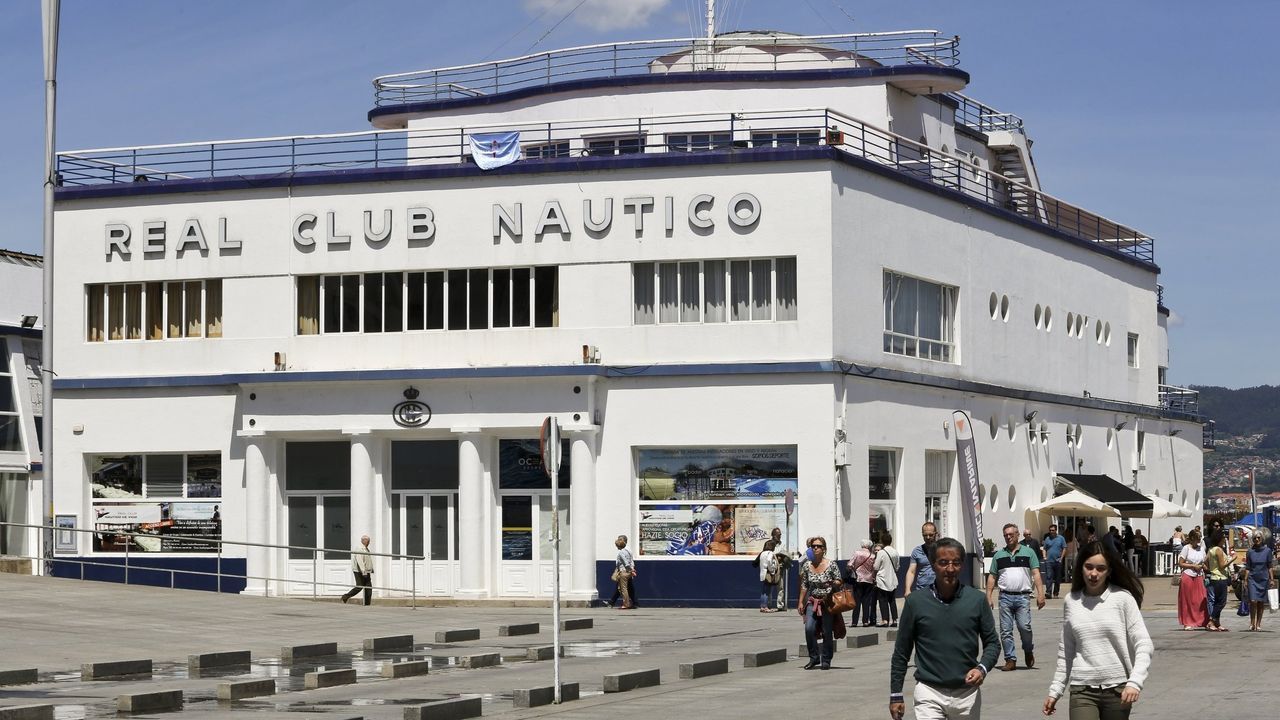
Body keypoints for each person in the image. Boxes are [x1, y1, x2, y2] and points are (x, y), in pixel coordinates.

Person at [889, 538, 998, 720]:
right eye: (943, 563)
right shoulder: (916, 602)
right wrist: (896, 693)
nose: (950, 569)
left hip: (967, 694)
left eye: (956, 563)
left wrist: (982, 668)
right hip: (929, 692)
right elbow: (901, 651)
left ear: (962, 565)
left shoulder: (976, 600)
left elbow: (993, 643)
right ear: (933, 565)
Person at [1042, 540, 1153, 719]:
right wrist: (1055, 690)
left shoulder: (1122, 599)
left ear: (1109, 571)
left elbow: (1144, 644)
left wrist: (1135, 682)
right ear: (1081, 568)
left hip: (1118, 689)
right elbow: (1066, 651)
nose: (1093, 574)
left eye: (1100, 568)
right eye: (1089, 567)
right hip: (1082, 689)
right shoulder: (1071, 601)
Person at [986, 522, 1045, 671]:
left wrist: (1041, 594)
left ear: (1018, 535)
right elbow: (992, 577)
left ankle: (1028, 650)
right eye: (1005, 535)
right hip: (1005, 597)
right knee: (1005, 630)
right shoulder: (999, 555)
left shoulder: (1028, 553)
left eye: (1011, 535)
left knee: (1024, 626)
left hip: (1023, 597)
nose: (1008, 537)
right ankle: (1010, 660)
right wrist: (988, 596)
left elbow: (1036, 574)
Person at [797, 535, 842, 669]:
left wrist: (835, 583)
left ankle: (826, 659)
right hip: (812, 601)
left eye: (819, 546)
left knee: (827, 631)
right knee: (809, 628)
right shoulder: (807, 565)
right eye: (813, 546)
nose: (816, 548)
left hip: (828, 602)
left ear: (824, 549)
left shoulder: (831, 564)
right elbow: (804, 584)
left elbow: (839, 580)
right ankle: (814, 658)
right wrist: (800, 602)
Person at [1242, 529, 1276, 631]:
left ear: (1262, 539)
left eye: (1258, 538)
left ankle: (1258, 624)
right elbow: (1248, 567)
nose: (1257, 540)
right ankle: (1252, 623)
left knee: (1261, 602)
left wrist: (1272, 579)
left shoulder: (1268, 551)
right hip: (1253, 578)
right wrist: (1245, 579)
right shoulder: (1250, 552)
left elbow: (1270, 566)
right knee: (1253, 601)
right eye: (1255, 538)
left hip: (1263, 578)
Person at [1175, 528, 1207, 630]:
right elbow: (1180, 563)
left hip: (1199, 576)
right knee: (1187, 600)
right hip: (1188, 575)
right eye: (1197, 538)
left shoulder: (1201, 548)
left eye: (1200, 538)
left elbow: (1204, 561)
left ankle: (1201, 620)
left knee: (1200, 599)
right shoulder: (1186, 548)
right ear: (1192, 538)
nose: (1199, 540)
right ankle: (1187, 622)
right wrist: (1193, 566)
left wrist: (1204, 567)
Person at [1204, 529, 1232, 631]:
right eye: (1224, 538)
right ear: (1220, 539)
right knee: (1222, 602)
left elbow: (1204, 561)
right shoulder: (1219, 550)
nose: (1225, 539)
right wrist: (1231, 559)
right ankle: (1211, 620)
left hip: (1213, 577)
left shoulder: (1211, 549)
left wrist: (1209, 569)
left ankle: (1217, 622)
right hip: (1220, 577)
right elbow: (1222, 566)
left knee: (1216, 602)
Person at [905, 522, 939, 597]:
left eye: (931, 535)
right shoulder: (917, 551)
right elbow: (911, 571)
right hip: (921, 589)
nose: (928, 537)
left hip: (938, 590)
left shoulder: (942, 550)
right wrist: (907, 589)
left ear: (936, 534)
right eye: (925, 535)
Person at [849, 539, 878, 626]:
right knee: (866, 601)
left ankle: (854, 622)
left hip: (858, 579)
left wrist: (854, 570)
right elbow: (874, 568)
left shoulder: (857, 553)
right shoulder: (872, 556)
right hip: (869, 580)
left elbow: (850, 564)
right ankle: (865, 621)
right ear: (869, 546)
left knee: (857, 601)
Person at [340, 534, 374, 605]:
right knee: (359, 586)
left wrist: (370, 569)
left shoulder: (365, 548)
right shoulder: (359, 548)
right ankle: (345, 596)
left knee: (368, 588)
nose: (369, 543)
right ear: (364, 541)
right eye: (368, 541)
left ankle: (367, 603)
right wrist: (363, 571)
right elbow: (360, 561)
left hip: (366, 571)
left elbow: (367, 559)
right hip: (359, 571)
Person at [875, 533, 901, 627]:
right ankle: (895, 620)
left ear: (882, 541)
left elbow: (876, 566)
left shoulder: (881, 552)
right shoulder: (895, 552)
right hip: (893, 579)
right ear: (891, 541)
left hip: (882, 579)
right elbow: (897, 567)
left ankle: (885, 620)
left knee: (883, 600)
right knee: (892, 600)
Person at [1041, 525, 1067, 599]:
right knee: (1049, 577)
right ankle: (1048, 592)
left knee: (1058, 578)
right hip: (1049, 561)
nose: (1051, 532)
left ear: (1056, 530)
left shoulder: (1061, 538)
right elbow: (1044, 548)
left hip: (1058, 561)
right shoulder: (1047, 539)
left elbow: (1064, 548)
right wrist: (1044, 557)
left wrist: (1061, 558)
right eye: (1050, 530)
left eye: (1053, 530)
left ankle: (1056, 593)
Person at [612, 534, 636, 609]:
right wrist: (632, 569)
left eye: (617, 546)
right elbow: (631, 561)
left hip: (624, 572)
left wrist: (631, 570)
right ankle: (629, 603)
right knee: (621, 588)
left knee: (624, 589)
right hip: (628, 571)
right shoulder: (629, 551)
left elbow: (625, 563)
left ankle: (626, 604)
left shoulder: (621, 552)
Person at [757, 538, 782, 612]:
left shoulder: (762, 553)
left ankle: (762, 606)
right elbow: (769, 561)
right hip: (768, 574)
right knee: (767, 591)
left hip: (763, 573)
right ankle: (765, 607)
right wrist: (772, 570)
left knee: (764, 591)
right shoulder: (770, 553)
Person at [770, 527, 792, 611]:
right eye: (777, 535)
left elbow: (785, 553)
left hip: (780, 567)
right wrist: (776, 556)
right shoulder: (769, 544)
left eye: (780, 535)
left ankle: (780, 605)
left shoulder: (782, 544)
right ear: (773, 535)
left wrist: (781, 556)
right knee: (769, 586)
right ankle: (768, 604)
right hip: (771, 568)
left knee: (780, 587)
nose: (779, 536)